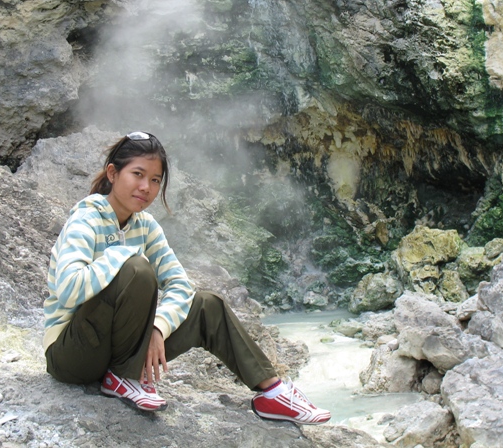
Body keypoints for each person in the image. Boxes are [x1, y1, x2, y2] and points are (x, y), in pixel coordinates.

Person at [43, 131, 331, 424]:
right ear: (113, 173)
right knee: (138, 270)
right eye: (138, 174)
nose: (146, 187)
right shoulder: (86, 218)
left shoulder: (146, 226)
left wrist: (157, 328)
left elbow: (180, 286)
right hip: (74, 355)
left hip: (121, 353)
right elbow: (67, 289)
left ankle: (272, 393)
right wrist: (123, 255)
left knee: (208, 305)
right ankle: (122, 377)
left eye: (155, 180)